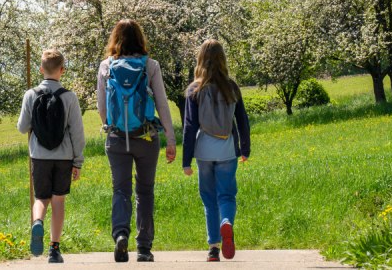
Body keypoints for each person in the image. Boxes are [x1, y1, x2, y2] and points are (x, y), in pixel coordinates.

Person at [97, 19, 176, 263]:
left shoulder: (106, 66)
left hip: (117, 138)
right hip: (146, 137)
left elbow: (102, 107)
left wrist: (112, 127)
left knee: (121, 189)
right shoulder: (150, 66)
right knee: (145, 191)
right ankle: (144, 247)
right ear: (141, 39)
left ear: (115, 39)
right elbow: (162, 104)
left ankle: (121, 234)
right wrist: (171, 140)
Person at [182, 39, 251, 262]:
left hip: (203, 150)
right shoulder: (232, 87)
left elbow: (190, 126)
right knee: (227, 195)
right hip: (227, 149)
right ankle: (226, 222)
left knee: (209, 199)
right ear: (223, 60)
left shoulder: (195, 89)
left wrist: (186, 160)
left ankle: (213, 247)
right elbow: (242, 121)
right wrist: (245, 149)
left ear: (200, 60)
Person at [17, 49, 85, 264]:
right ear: (62, 70)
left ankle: (37, 221)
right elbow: (77, 133)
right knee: (58, 201)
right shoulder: (69, 97)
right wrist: (78, 161)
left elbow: (22, 127)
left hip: (39, 156)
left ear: (41, 69)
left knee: (41, 198)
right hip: (64, 157)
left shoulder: (31, 94)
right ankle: (54, 249)